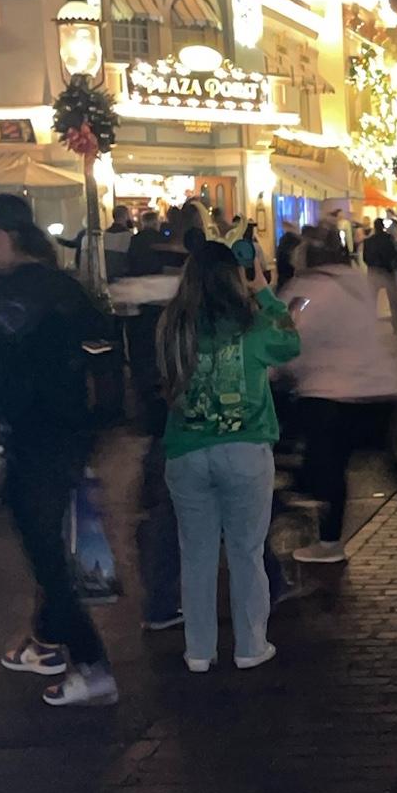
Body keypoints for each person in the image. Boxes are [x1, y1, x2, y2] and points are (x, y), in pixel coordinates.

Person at [0, 195, 115, 706]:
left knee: (46, 553)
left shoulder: (19, 295)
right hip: (50, 438)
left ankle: (91, 663)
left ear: (3, 236)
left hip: (34, 442)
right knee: (45, 548)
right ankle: (53, 643)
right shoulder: (52, 286)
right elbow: (98, 345)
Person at [157, 241, 298, 671]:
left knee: (196, 554)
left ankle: (199, 650)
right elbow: (290, 343)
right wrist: (265, 292)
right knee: (245, 551)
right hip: (244, 448)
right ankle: (250, 645)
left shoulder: (172, 326)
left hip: (186, 450)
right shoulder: (251, 325)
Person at [283, 231, 397, 565]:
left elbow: (293, 340)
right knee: (396, 468)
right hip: (377, 390)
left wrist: (281, 370)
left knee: (327, 467)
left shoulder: (310, 290)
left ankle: (328, 541)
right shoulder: (357, 282)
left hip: (330, 395)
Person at [361, 215, 397, 332]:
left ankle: (370, 325)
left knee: (372, 300)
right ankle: (396, 326)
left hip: (373, 272)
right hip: (387, 271)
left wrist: (372, 266)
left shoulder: (368, 241)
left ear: (374, 227)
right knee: (393, 300)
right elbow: (394, 253)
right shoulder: (389, 238)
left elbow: (365, 258)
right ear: (383, 227)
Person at [103, 204, 134, 280]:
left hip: (107, 272)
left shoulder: (105, 233)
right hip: (123, 273)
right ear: (125, 216)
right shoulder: (128, 235)